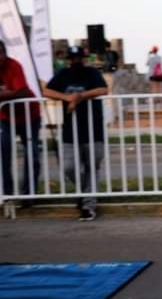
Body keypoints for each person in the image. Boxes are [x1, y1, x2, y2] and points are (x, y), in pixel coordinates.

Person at [43, 46, 108, 221]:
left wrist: (81, 96)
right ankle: (85, 193)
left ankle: (88, 205)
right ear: (68, 59)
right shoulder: (63, 74)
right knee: (69, 167)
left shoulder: (92, 72)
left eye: (78, 58)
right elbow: (46, 90)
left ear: (83, 58)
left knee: (92, 167)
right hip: (70, 130)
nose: (76, 61)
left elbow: (103, 89)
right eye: (73, 58)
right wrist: (67, 98)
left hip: (93, 129)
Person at [0, 40, 41, 200]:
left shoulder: (14, 66)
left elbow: (22, 92)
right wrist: (9, 93)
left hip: (29, 114)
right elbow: (16, 92)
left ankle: (29, 195)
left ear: (5, 53)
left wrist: (3, 95)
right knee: (4, 152)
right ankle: (7, 194)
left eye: (1, 52)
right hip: (5, 117)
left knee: (32, 154)